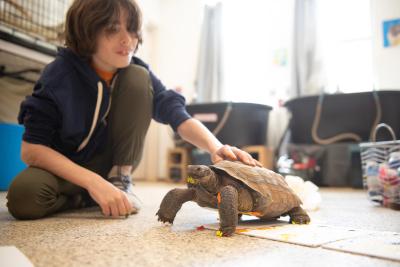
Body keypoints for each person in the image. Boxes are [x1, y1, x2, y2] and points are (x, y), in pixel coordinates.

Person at [6, 0, 260, 220]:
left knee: (138, 77)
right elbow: (31, 150)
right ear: (87, 31)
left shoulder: (137, 72)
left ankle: (119, 181)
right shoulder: (58, 75)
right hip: (66, 168)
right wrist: (92, 183)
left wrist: (216, 147)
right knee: (24, 198)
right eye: (112, 29)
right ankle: (86, 197)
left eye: (131, 29)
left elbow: (178, 116)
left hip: (108, 163)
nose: (127, 39)